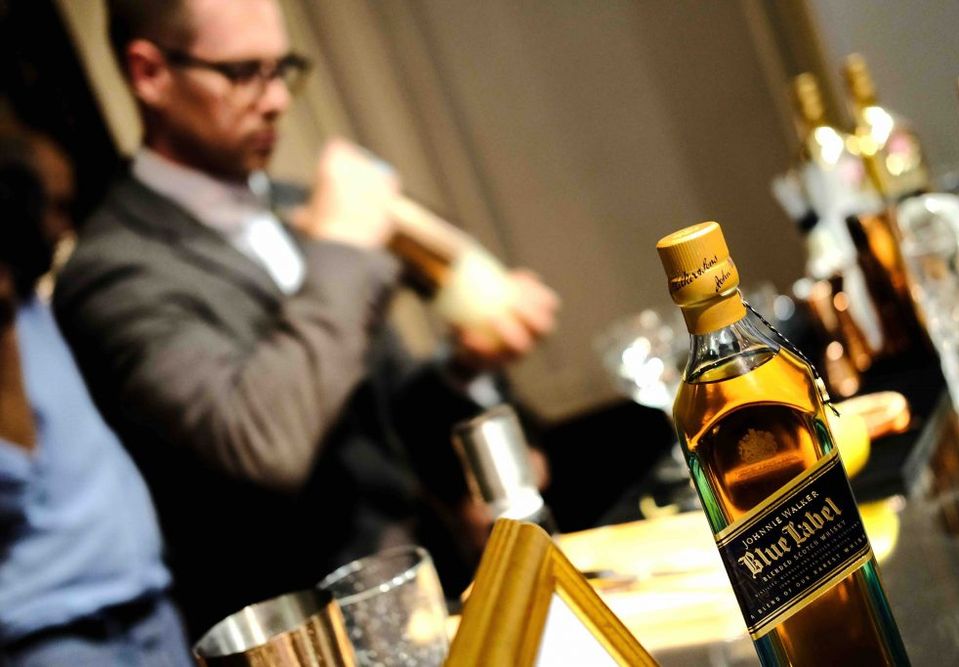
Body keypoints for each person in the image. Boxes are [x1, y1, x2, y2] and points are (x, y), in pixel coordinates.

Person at [54, 0, 559, 636]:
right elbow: (262, 445)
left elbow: (381, 411)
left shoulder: (296, 208)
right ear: (149, 73)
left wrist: (463, 368)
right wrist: (342, 246)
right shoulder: (111, 272)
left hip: (432, 594)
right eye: (243, 73)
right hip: (307, 635)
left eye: (281, 70)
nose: (275, 101)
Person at [0, 139, 192, 666]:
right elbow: (11, 483)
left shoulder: (35, 307)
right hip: (56, 633)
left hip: (148, 605)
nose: (63, 229)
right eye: (53, 208)